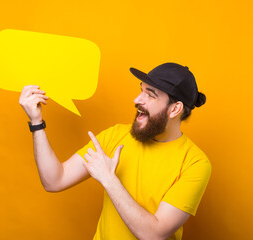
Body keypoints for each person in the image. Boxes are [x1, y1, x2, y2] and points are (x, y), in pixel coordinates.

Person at [19, 62, 211, 240]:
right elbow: (54, 181)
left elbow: (154, 235)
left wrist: (109, 180)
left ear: (174, 109)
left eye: (150, 94)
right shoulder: (116, 135)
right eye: (141, 91)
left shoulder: (194, 163)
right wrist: (36, 122)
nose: (137, 99)